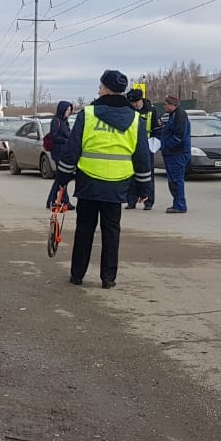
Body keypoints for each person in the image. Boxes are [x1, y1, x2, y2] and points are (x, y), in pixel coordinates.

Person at [54, 69, 152, 289]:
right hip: (117, 185)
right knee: (111, 231)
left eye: (100, 87)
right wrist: (144, 187)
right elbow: (142, 156)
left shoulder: (87, 114)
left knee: (84, 229)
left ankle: (77, 274)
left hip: (89, 181)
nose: (98, 91)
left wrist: (62, 179)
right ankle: (108, 278)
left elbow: (72, 150)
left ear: (106, 89)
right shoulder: (135, 119)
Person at [124, 88, 156, 210]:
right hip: (131, 147)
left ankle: (148, 201)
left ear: (141, 100)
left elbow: (157, 129)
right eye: (132, 103)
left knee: (148, 176)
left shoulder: (151, 110)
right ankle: (131, 201)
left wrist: (155, 142)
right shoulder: (129, 111)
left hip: (147, 147)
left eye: (136, 102)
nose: (134, 105)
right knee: (130, 176)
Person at [159, 94, 191, 213]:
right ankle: (177, 203)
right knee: (173, 180)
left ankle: (180, 205)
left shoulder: (180, 115)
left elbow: (179, 135)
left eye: (165, 104)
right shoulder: (174, 115)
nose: (164, 106)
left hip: (177, 154)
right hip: (173, 153)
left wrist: (167, 145)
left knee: (176, 180)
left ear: (172, 105)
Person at [45, 100, 75, 210]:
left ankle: (53, 200)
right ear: (62, 109)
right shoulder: (56, 121)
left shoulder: (65, 122)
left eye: (70, 110)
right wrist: (66, 141)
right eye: (67, 110)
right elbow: (54, 137)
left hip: (64, 153)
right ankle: (62, 201)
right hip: (58, 153)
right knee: (61, 178)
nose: (69, 112)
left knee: (60, 179)